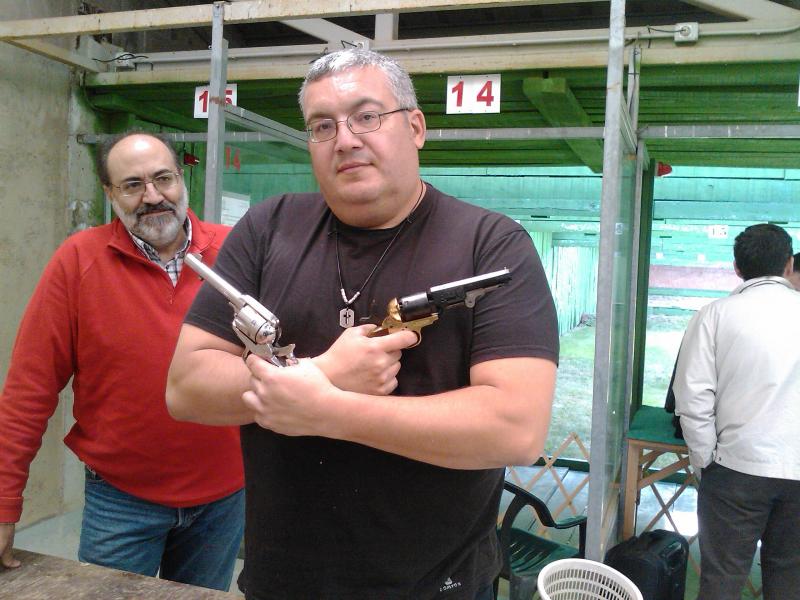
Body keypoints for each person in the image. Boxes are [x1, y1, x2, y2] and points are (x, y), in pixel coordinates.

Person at [166, 49, 558, 600]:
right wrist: (324, 372)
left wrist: (329, 409)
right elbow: (186, 389)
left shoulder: (492, 245)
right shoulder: (267, 228)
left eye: (367, 116)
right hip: (284, 582)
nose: (345, 139)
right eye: (322, 126)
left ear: (415, 127)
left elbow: (515, 429)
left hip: (437, 586)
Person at [0, 132, 244, 591]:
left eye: (163, 178)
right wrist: (4, 502)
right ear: (109, 193)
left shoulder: (237, 252)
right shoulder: (78, 260)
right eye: (132, 185)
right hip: (120, 500)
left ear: (182, 178)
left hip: (223, 499)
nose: (152, 196)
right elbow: (29, 389)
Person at [673, 223, 800, 600]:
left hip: (734, 471)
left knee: (721, 581)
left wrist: (705, 460)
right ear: (788, 264)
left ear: (737, 268)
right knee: (790, 581)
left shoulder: (714, 314)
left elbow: (692, 397)